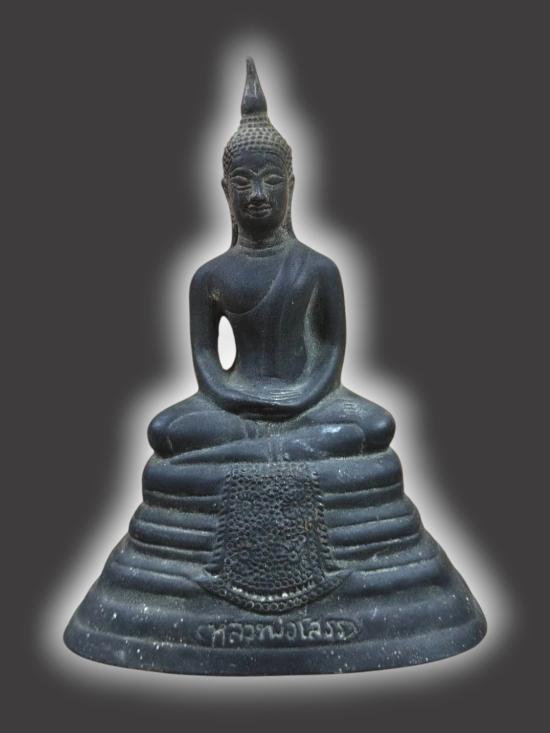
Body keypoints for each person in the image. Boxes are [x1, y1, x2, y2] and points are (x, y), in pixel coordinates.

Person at [148, 59, 394, 463]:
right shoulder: (209, 277)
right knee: (165, 431)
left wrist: (297, 400)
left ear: (291, 187)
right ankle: (279, 451)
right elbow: (207, 366)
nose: (258, 194)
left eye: (272, 180)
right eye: (243, 182)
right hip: (235, 406)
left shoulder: (318, 268)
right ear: (226, 191)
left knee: (376, 425)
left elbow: (331, 354)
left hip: (310, 403)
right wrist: (240, 400)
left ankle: (240, 455)